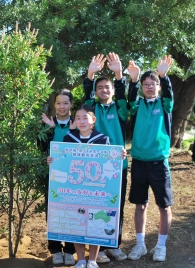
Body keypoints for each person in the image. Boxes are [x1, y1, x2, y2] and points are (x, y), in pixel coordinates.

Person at [48, 104, 126, 268]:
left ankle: (92, 260)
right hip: (76, 192)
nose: (81, 121)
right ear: (74, 121)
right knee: (78, 224)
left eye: (85, 117)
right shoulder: (69, 138)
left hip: (96, 193)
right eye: (78, 118)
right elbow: (62, 160)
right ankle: (81, 260)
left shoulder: (102, 139)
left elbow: (109, 163)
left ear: (93, 120)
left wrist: (120, 156)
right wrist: (52, 160)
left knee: (95, 226)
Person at [126, 55, 174, 262]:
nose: (149, 87)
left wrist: (163, 76)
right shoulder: (137, 106)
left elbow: (169, 93)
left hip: (158, 162)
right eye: (145, 84)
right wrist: (133, 81)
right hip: (138, 162)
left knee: (164, 206)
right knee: (140, 205)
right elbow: (128, 101)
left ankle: (161, 246)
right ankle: (140, 244)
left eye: (153, 84)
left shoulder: (165, 105)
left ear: (158, 86)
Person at [83, 53, 128, 263]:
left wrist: (118, 74)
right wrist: (91, 73)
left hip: (119, 165)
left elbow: (121, 92)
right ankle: (98, 249)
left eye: (106, 87)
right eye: (99, 87)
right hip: (95, 168)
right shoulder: (92, 109)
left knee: (116, 206)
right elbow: (85, 95)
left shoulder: (120, 109)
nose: (103, 90)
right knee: (96, 207)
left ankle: (114, 245)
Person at [37, 89, 77, 266]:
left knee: (73, 210)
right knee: (53, 211)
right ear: (54, 105)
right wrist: (49, 129)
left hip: (76, 177)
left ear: (71, 105)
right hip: (54, 176)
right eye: (59, 103)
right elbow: (41, 147)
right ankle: (55, 249)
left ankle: (70, 249)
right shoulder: (48, 123)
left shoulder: (77, 123)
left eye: (66, 103)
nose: (62, 107)